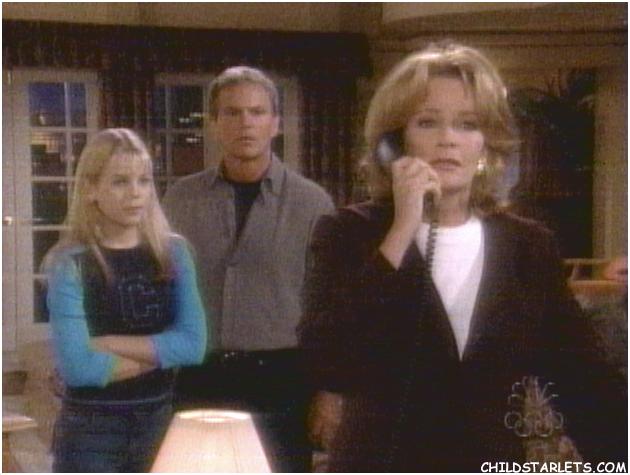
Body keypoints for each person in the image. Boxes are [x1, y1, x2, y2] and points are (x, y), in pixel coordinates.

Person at [298, 41, 627, 472]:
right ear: (393, 143)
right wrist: (401, 231)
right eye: (427, 122)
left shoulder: (528, 247)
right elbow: (329, 359)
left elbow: (583, 382)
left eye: (467, 124)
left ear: (486, 143)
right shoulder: (348, 233)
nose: (448, 139)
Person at [162, 66, 334, 472]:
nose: (246, 123)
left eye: (257, 112)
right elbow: (161, 289)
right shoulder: (181, 199)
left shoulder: (312, 203)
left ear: (275, 123)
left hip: (281, 378)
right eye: (233, 112)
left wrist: (330, 390)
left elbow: (330, 307)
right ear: (214, 123)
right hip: (198, 375)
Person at [45, 128, 207, 472]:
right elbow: (78, 368)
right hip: (90, 431)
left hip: (159, 421)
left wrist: (107, 343)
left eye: (144, 181)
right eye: (120, 181)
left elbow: (193, 345)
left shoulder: (174, 254)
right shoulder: (70, 263)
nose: (136, 193)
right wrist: (163, 355)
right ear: (91, 189)